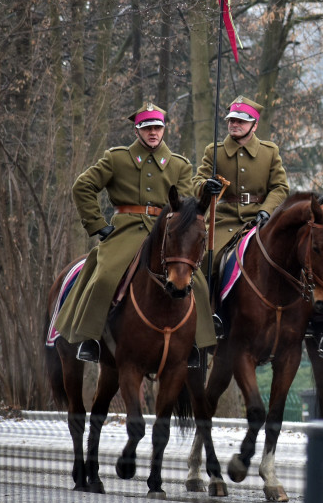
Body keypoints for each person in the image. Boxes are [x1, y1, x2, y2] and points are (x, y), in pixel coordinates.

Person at [55, 103, 215, 366]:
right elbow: (83, 186)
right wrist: (98, 224)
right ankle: (91, 339)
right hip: (127, 229)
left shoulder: (179, 165)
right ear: (137, 130)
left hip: (166, 231)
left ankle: (196, 345)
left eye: (157, 128)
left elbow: (186, 205)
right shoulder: (117, 158)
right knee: (106, 275)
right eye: (147, 128)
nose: (153, 133)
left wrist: (205, 196)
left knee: (195, 280)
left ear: (164, 129)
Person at [193, 96, 290, 265]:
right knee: (207, 261)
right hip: (223, 220)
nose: (234, 124)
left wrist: (266, 210)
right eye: (231, 120)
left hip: (259, 220)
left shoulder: (269, 152)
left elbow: (280, 187)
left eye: (241, 121)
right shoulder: (214, 151)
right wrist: (205, 186)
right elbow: (196, 182)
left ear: (255, 126)